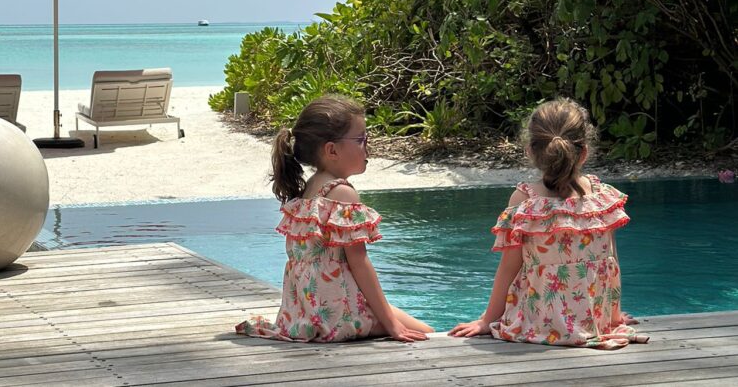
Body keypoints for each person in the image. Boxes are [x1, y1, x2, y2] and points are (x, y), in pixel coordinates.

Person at [450, 98, 648, 349]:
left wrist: (487, 320)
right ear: (584, 152)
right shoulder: (601, 197)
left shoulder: (525, 199)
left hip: (541, 323)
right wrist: (613, 316)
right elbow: (611, 263)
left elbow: (509, 268)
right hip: (594, 322)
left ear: (530, 151)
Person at [236, 95, 433, 342]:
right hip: (337, 317)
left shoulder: (310, 190)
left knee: (410, 324)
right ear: (332, 150)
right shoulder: (342, 193)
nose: (368, 147)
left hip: (303, 316)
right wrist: (392, 325)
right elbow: (359, 263)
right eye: (361, 140)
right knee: (429, 334)